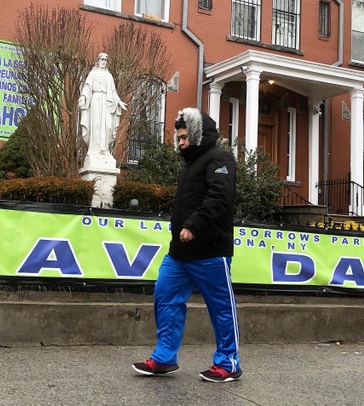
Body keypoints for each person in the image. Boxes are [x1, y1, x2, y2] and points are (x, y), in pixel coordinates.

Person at [132, 107, 242, 383]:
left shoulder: (220, 159)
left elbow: (220, 196)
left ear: (196, 134)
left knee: (221, 308)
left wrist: (194, 224)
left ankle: (228, 363)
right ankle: (165, 358)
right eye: (178, 138)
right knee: (165, 296)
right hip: (179, 254)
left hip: (210, 252)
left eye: (183, 137)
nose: (180, 143)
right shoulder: (191, 164)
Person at [79, 53, 127, 158]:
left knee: (108, 126)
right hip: (96, 99)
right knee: (96, 125)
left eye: (105, 60)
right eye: (102, 59)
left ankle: (104, 149)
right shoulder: (93, 73)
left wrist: (119, 101)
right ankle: (95, 150)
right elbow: (87, 87)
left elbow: (113, 92)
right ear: (98, 61)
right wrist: (83, 96)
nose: (103, 62)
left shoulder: (109, 76)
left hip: (107, 101)